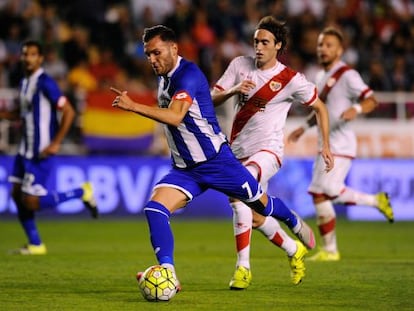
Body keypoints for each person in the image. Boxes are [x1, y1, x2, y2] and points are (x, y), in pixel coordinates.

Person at [110, 25, 333, 292]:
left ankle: (291, 223)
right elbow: (208, 98)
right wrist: (233, 89)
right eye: (148, 55)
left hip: (217, 161)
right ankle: (168, 272)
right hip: (186, 168)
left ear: (173, 48)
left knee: (259, 206)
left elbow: (176, 115)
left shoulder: (188, 74)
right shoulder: (169, 77)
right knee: (154, 209)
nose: (151, 60)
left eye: (156, 53)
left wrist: (133, 106)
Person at [211, 16, 334, 288]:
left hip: (269, 151)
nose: (258, 46)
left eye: (265, 42)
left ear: (278, 45)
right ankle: (293, 245)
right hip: (237, 150)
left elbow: (321, 108)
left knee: (242, 192)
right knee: (254, 216)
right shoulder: (239, 65)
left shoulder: (290, 79)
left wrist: (325, 145)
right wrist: (233, 90)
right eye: (256, 41)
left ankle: (243, 268)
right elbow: (212, 97)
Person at [287, 27, 394, 261]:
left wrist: (355, 109)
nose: (323, 49)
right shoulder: (319, 76)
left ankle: (375, 201)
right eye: (320, 45)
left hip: (341, 145)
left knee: (329, 191)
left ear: (340, 50)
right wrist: (304, 127)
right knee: (318, 194)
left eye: (328, 45)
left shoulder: (348, 75)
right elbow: (320, 110)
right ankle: (331, 250)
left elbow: (371, 100)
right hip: (323, 144)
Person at [0, 40, 98, 255]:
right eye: (25, 54)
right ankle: (35, 244)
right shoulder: (25, 82)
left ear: (40, 58)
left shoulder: (46, 83)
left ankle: (81, 192)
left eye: (33, 54)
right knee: (17, 195)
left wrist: (55, 143)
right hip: (24, 149)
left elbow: (69, 111)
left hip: (41, 150)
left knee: (32, 202)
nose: (28, 58)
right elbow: (21, 113)